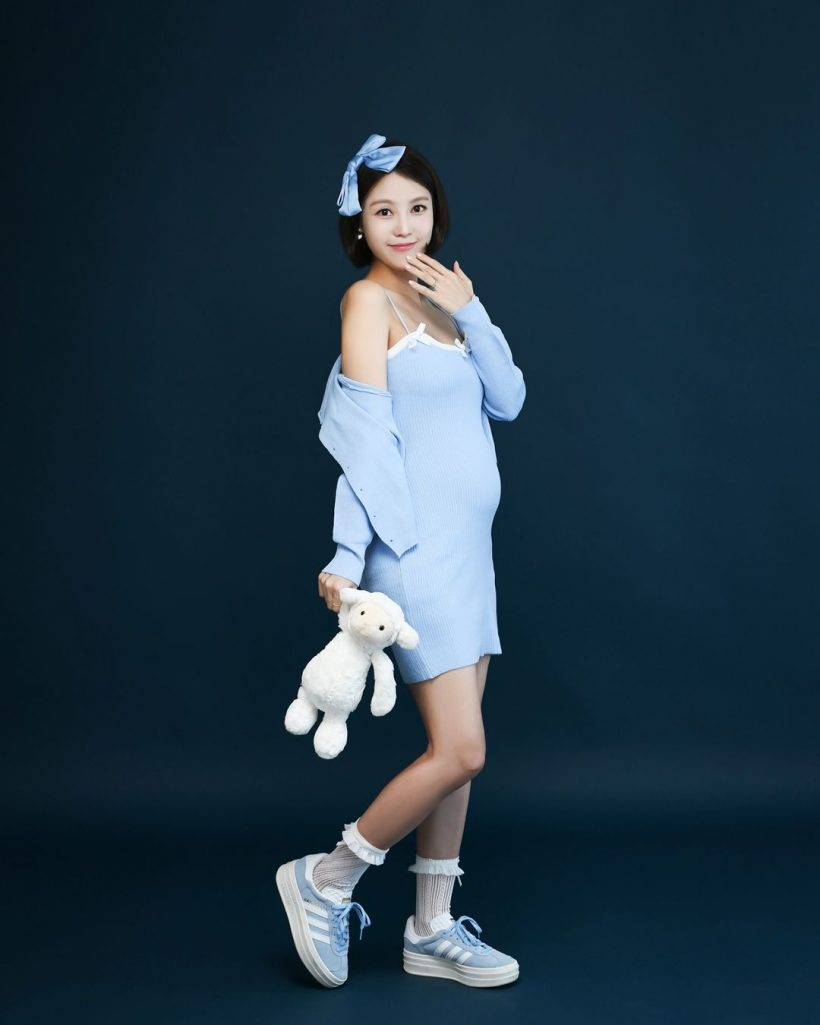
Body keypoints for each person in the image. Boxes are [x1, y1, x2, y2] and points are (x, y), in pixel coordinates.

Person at [276, 133, 526, 989]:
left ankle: (430, 928)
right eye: (385, 210)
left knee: (455, 754)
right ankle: (327, 877)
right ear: (360, 222)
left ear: (435, 213)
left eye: (417, 207)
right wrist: (349, 552)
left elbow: (510, 399)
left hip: (470, 557)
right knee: (462, 749)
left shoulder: (445, 302)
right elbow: (365, 441)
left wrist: (472, 308)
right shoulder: (366, 303)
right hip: (411, 554)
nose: (404, 224)